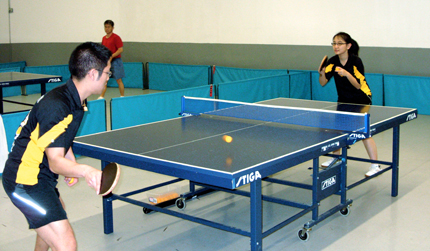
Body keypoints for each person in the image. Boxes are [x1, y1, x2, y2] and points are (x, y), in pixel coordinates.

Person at [2, 42, 113, 251]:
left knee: (54, 217)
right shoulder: (58, 105)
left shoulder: (74, 99)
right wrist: (85, 170)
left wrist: (69, 163)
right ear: (92, 74)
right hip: (24, 180)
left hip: (40, 175)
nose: (110, 76)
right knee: (66, 244)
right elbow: (54, 162)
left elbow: (60, 139)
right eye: (107, 72)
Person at [318, 32, 381, 177]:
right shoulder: (332, 62)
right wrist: (322, 73)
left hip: (362, 98)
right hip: (344, 98)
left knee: (363, 131)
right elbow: (323, 83)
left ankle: (375, 164)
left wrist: (346, 74)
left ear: (348, 46)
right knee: (338, 129)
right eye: (334, 43)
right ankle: (336, 158)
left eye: (339, 43)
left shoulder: (356, 61)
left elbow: (358, 85)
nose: (336, 46)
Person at [99, 19, 125, 99]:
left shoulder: (116, 37)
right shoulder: (103, 38)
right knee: (105, 80)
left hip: (116, 61)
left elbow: (120, 49)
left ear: (112, 28)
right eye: (105, 27)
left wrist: (111, 56)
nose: (107, 29)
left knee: (118, 80)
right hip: (107, 62)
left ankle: (122, 96)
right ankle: (101, 97)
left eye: (108, 27)